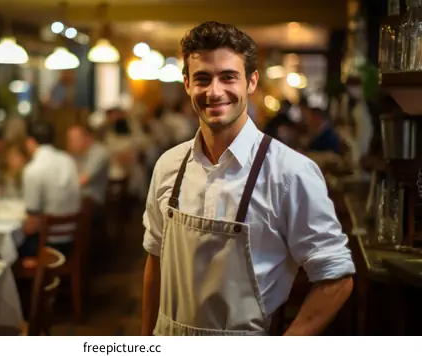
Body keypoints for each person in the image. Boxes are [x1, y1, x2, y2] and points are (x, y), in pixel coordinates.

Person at [141, 22, 355, 336]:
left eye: (228, 77)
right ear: (186, 83)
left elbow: (336, 278)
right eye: (202, 78)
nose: (214, 92)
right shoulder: (168, 165)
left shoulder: (290, 172)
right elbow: (155, 261)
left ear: (251, 82)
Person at [17, 120, 81, 258]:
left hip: (46, 245)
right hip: (73, 238)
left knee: (10, 248)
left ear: (30, 142)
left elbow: (31, 225)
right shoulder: (68, 160)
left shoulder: (33, 169)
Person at [66, 124, 110, 206]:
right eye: (70, 140)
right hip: (74, 198)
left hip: (92, 202)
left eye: (75, 140)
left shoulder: (99, 153)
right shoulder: (74, 154)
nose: (71, 144)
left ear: (88, 138)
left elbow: (82, 181)